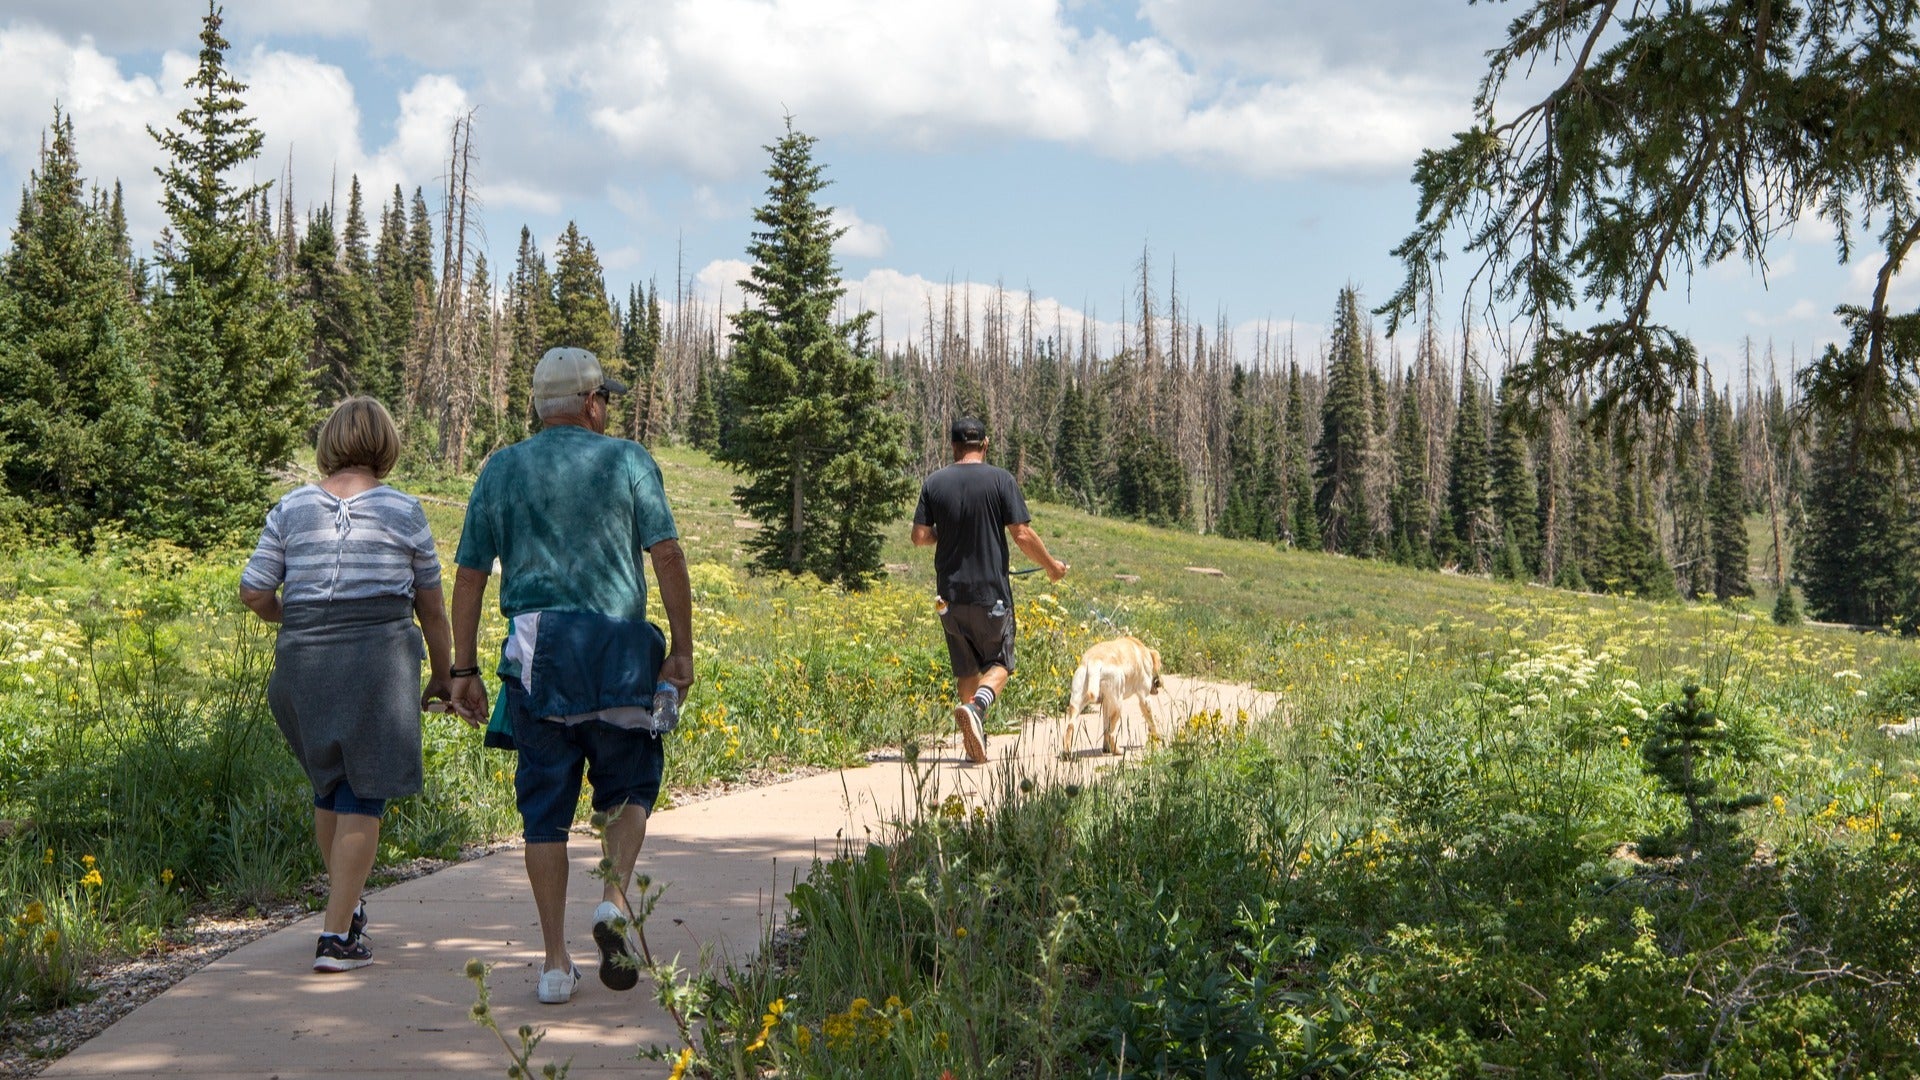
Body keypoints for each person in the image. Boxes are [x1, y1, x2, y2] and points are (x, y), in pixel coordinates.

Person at [447, 346, 694, 1005]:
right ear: (589, 403)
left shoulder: (502, 468)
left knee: (545, 811)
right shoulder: (629, 460)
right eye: (604, 398)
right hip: (618, 650)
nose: (607, 408)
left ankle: (555, 963)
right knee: (633, 782)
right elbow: (666, 554)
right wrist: (683, 651)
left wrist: (462, 668)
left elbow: (470, 574)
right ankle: (613, 900)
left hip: (539, 652)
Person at [240, 396, 452, 973]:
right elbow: (431, 606)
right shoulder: (404, 511)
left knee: (330, 786)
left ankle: (348, 908)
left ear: (329, 444)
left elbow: (255, 590)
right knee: (366, 790)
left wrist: (296, 618)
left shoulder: (290, 508)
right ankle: (335, 938)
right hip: (376, 662)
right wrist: (444, 673)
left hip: (302, 665)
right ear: (385, 446)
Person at [911, 416, 1068, 764]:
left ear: (952, 446)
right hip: (990, 596)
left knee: (966, 668)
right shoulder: (1001, 480)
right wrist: (1051, 566)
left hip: (948, 599)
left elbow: (920, 536)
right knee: (1000, 664)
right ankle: (978, 710)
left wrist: (945, 534)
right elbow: (1022, 534)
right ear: (984, 445)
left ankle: (972, 742)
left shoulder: (934, 482)